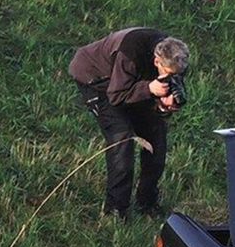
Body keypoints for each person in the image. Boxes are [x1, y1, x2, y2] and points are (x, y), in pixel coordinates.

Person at [69, 27, 189, 219]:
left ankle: (147, 201)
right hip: (98, 80)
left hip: (132, 83)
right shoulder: (131, 53)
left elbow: (161, 91)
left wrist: (164, 105)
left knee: (156, 135)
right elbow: (116, 96)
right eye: (168, 74)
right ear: (157, 61)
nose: (171, 78)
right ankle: (116, 209)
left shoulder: (175, 58)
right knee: (121, 138)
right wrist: (149, 89)